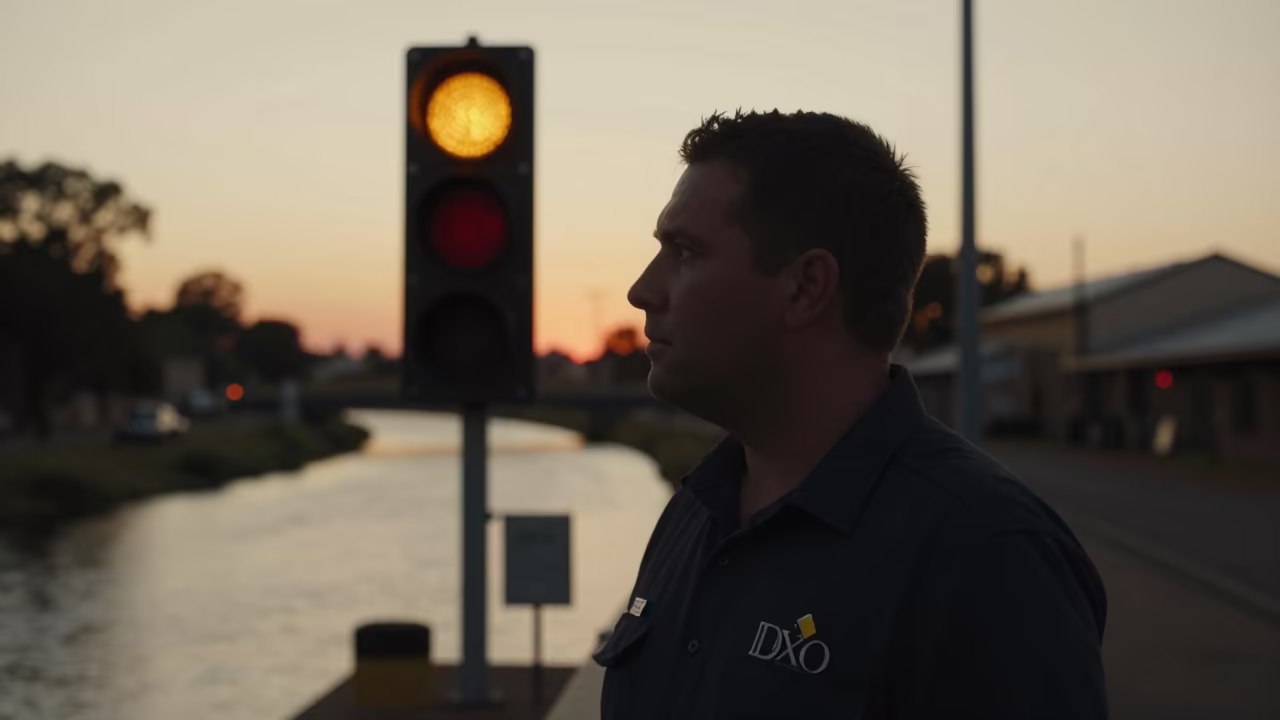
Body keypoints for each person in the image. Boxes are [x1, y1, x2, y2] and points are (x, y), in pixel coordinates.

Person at [595, 109, 1108, 719]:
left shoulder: (988, 556)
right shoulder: (694, 512)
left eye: (684, 252)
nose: (642, 290)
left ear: (806, 287)